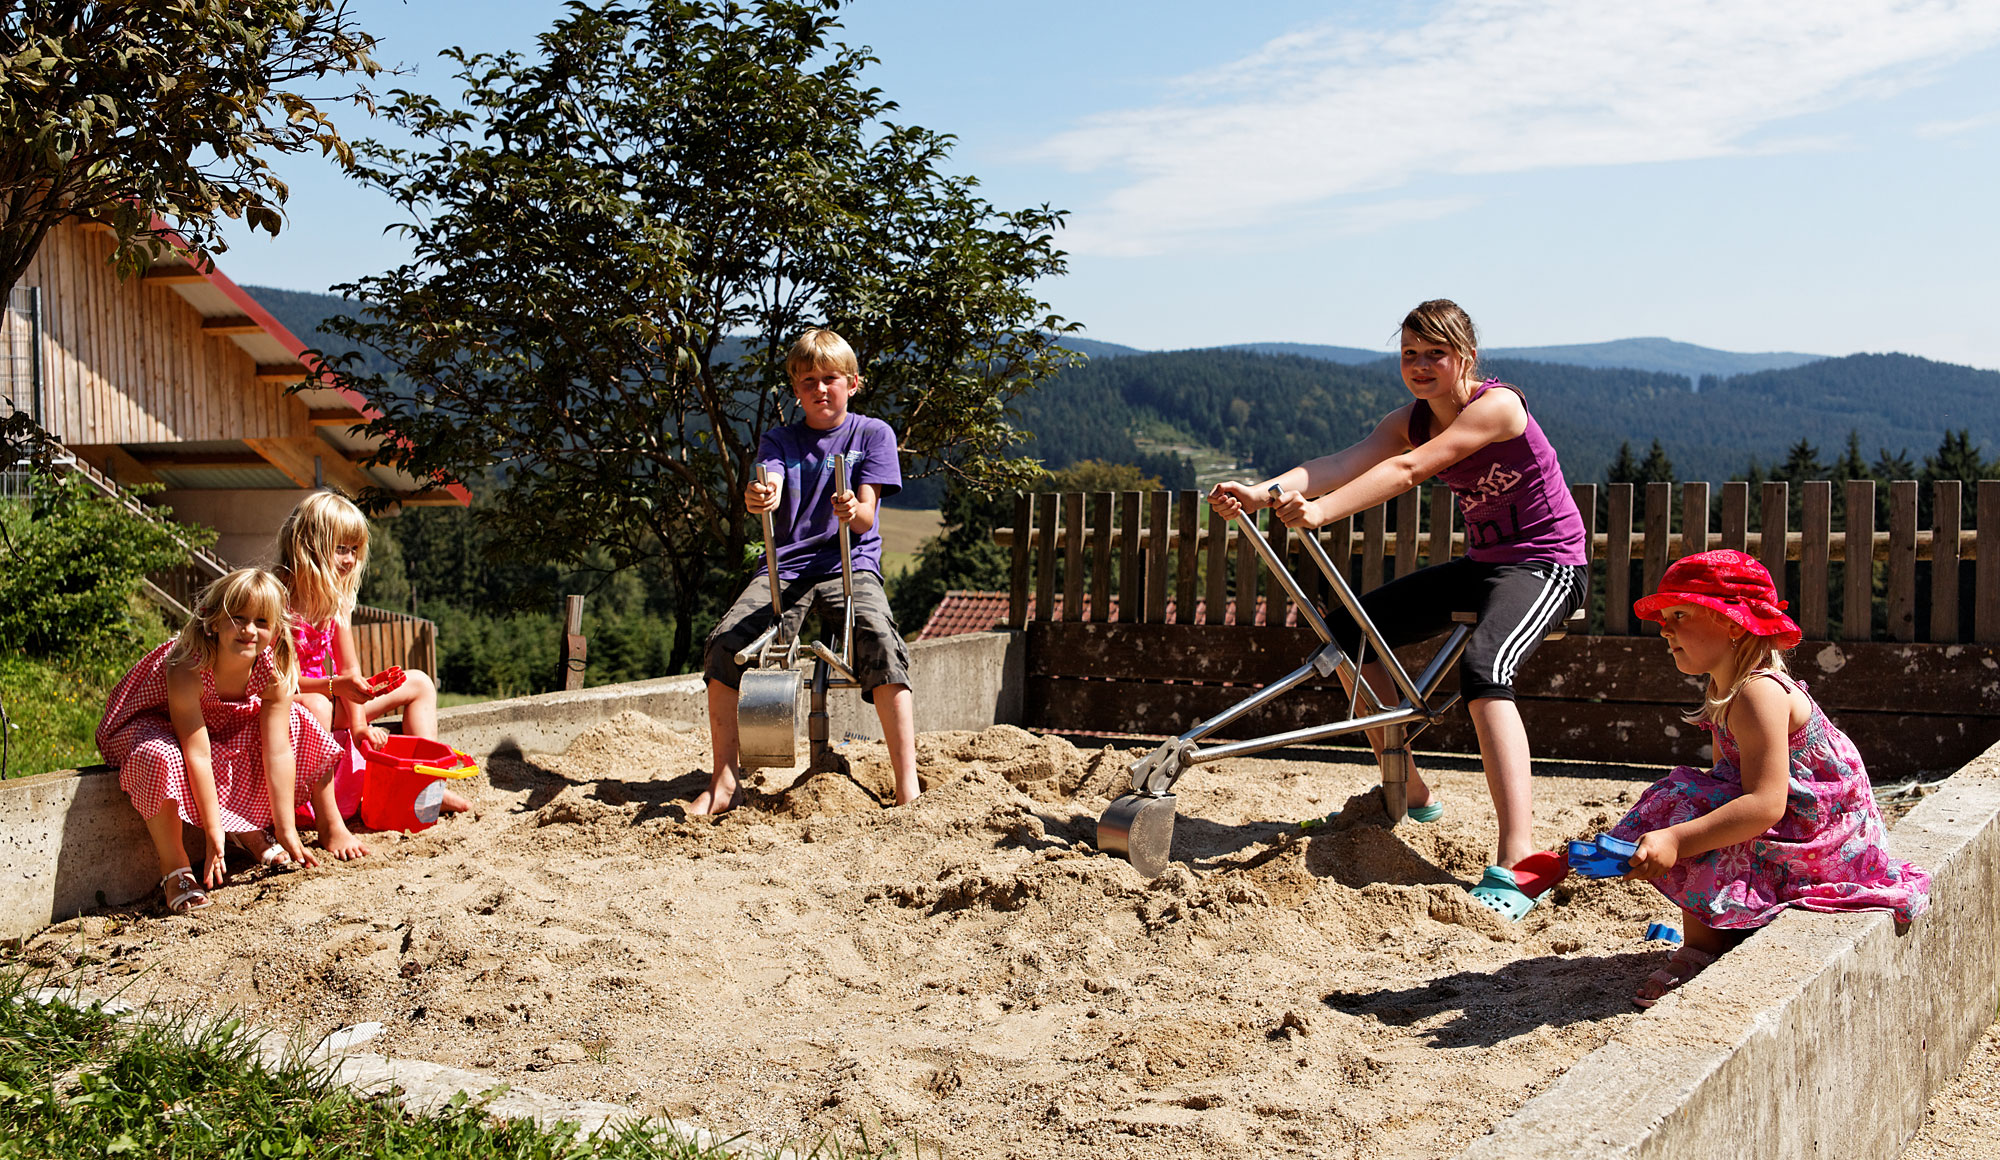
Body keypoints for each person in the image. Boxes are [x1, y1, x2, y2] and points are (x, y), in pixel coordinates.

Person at [1208, 299, 1588, 921]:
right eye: (1409, 354)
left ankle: (1519, 853)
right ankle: (1407, 786)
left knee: (1486, 668)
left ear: (1465, 357)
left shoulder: (1497, 407)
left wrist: (1323, 512)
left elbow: (1410, 470)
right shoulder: (1408, 417)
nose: (1419, 365)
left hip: (1547, 564)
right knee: (1343, 637)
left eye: (1434, 353)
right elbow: (1340, 463)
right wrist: (1263, 492)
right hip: (1486, 566)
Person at [1613, 549, 1929, 1007]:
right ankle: (1719, 934)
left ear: (1735, 625)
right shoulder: (1724, 688)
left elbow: (1764, 805)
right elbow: (1727, 782)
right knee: (1694, 801)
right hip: (1798, 823)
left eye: (1679, 615)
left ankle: (1701, 949)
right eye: (1664, 618)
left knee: (1689, 811)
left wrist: (1677, 840)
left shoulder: (1759, 691)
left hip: (1828, 837)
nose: (1664, 629)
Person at [693, 328, 919, 815]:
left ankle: (908, 787)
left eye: (831, 379)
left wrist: (850, 509)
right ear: (796, 389)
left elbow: (865, 516)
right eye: (809, 381)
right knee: (725, 644)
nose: (820, 389)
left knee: (878, 638)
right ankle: (725, 781)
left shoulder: (873, 434)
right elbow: (768, 479)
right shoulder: (780, 438)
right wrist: (762, 495)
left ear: (852, 383)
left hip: (848, 561)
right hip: (787, 565)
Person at [96, 569, 338, 914]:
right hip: (153, 721)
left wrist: (287, 829)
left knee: (297, 722)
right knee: (159, 755)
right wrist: (212, 832)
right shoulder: (187, 664)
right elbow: (196, 751)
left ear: (276, 628)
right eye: (238, 619)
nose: (249, 630)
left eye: (261, 621)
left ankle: (251, 829)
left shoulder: (275, 666)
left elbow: (278, 749)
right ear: (212, 621)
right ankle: (175, 867)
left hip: (218, 718)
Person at [276, 489, 468, 859]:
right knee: (316, 705)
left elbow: (349, 668)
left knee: (420, 683)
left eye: (353, 550)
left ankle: (428, 784)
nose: (349, 560)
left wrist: (360, 723)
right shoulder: (278, 600)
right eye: (340, 549)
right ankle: (330, 824)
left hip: (333, 699)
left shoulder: (336, 601)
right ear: (309, 545)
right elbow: (278, 681)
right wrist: (336, 687)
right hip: (295, 703)